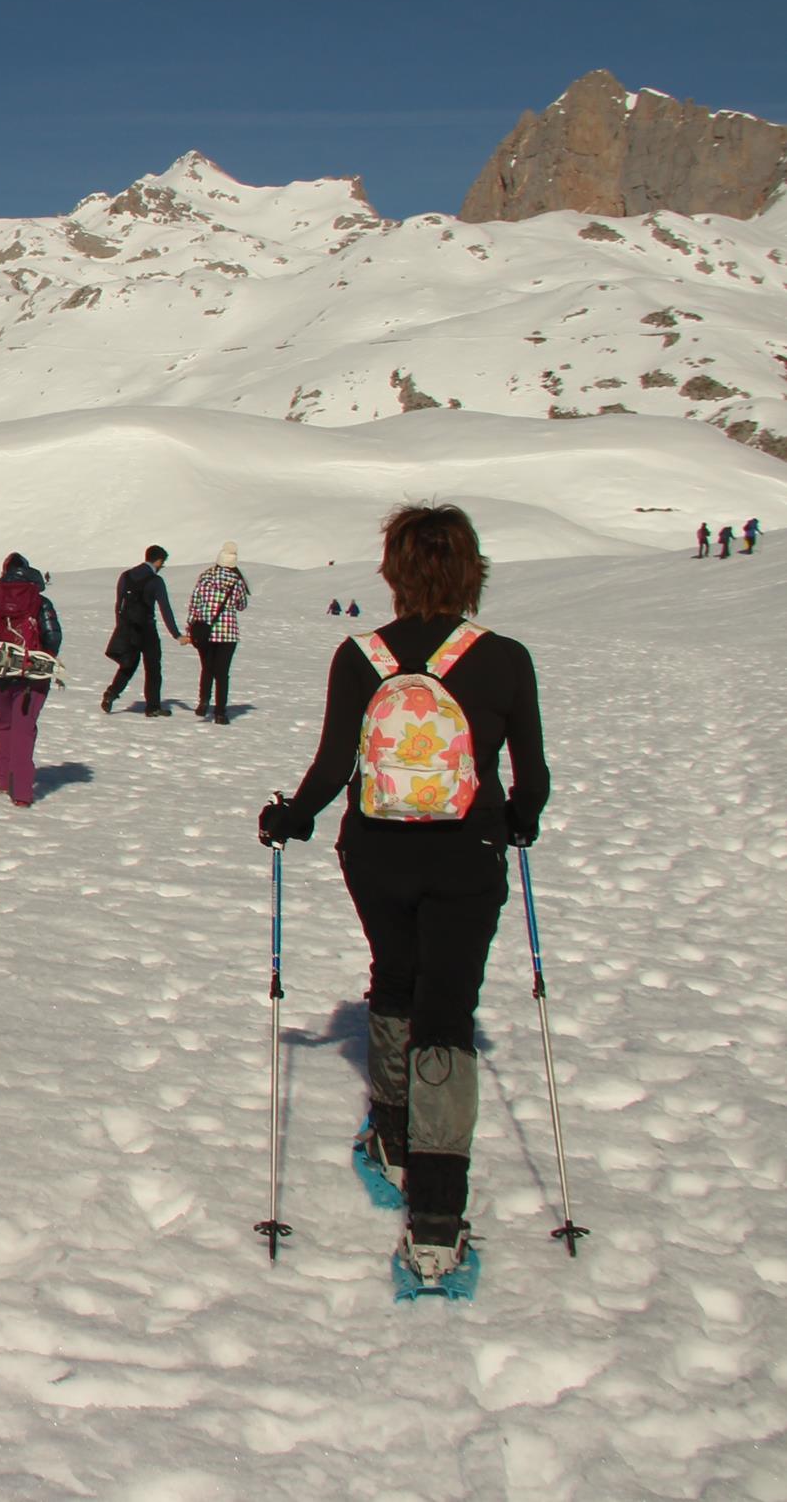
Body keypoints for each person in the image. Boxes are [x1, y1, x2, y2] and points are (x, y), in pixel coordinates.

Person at [257, 504, 549, 1288]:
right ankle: (438, 1217)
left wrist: (290, 818)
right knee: (448, 1007)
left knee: (394, 973)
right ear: (471, 571)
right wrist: (518, 823)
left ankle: (390, 1129)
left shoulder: (361, 656)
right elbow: (533, 779)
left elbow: (328, 768)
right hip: (468, 852)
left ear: (393, 572)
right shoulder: (506, 659)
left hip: (377, 849)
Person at [0, 554, 63, 807]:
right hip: (30, 673)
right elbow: (53, 637)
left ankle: (3, 781)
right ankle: (21, 792)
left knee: (3, 723)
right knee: (24, 728)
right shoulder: (39, 600)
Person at [102, 545, 184, 715]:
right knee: (153, 667)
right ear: (159, 561)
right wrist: (176, 634)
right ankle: (153, 707)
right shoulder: (156, 581)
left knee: (128, 664)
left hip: (127, 627)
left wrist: (121, 627)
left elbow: (119, 604)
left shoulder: (125, 576)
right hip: (146, 629)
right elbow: (165, 609)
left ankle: (111, 693)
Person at [187, 543, 251, 726]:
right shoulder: (236, 581)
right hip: (228, 633)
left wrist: (190, 627)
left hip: (205, 631)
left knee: (207, 668)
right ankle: (220, 712)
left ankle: (203, 701)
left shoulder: (205, 577)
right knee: (222, 673)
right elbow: (242, 605)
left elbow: (194, 604)